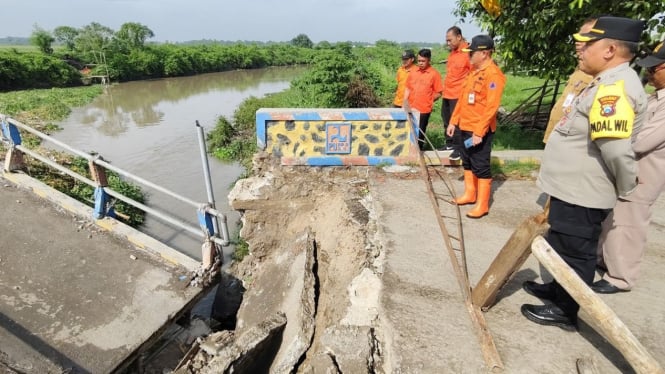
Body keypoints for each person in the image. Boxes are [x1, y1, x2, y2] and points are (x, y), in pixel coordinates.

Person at [521, 16, 648, 331]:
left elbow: (616, 149)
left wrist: (625, 185)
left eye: (588, 44)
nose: (581, 50)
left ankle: (566, 311)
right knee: (562, 244)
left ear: (609, 49)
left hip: (584, 190)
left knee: (577, 251)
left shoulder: (614, 89)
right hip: (572, 187)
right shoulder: (604, 80)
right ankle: (557, 290)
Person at [592, 41, 665, 294]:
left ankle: (621, 278)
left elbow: (642, 140)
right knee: (614, 219)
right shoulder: (656, 97)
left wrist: (619, 136)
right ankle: (605, 261)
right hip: (629, 170)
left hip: (645, 174)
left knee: (630, 225)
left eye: (654, 70)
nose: (650, 75)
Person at [446, 34, 506, 218]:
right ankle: (470, 194)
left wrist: (480, 131)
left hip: (479, 130)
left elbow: (491, 107)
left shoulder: (493, 75)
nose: (469, 55)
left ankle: (482, 204)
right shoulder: (473, 71)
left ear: (485, 53)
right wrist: (453, 122)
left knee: (481, 165)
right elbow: (463, 99)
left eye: (472, 52)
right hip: (464, 126)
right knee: (467, 161)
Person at [542, 18, 596, 143]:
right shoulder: (580, 69)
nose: (578, 42)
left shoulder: (596, 76)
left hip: (571, 139)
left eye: (585, 38)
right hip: (557, 133)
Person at [441, 26, 471, 160]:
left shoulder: (468, 52)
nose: (448, 43)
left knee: (457, 122)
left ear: (459, 37)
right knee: (446, 119)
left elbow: (473, 74)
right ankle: (450, 144)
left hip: (459, 94)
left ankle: (459, 149)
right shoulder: (452, 53)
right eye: (446, 41)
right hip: (448, 92)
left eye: (450, 40)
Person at [404, 48, 444, 150]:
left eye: (423, 61)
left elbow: (439, 92)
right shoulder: (413, 72)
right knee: (408, 130)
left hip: (424, 109)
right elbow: (408, 88)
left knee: (420, 131)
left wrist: (430, 99)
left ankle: (419, 151)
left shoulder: (434, 74)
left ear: (429, 60)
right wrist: (404, 103)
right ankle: (408, 151)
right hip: (411, 107)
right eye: (419, 61)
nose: (420, 63)